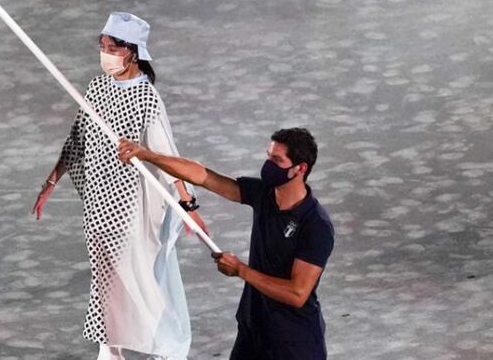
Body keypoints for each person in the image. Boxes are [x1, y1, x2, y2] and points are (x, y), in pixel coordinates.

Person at [32, 12, 207, 360]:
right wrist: (51, 181)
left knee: (133, 280)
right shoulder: (96, 87)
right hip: (96, 205)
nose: (105, 52)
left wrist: (187, 205)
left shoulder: (146, 97)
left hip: (127, 208)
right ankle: (110, 349)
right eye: (102, 46)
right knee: (105, 279)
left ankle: (144, 348)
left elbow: (166, 154)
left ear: (132, 51)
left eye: (112, 47)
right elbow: (77, 140)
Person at [117, 128, 335, 360]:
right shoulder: (264, 194)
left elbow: (297, 293)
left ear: (300, 169)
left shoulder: (316, 225)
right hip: (253, 330)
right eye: (268, 156)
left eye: (276, 160)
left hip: (293, 343)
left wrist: (241, 270)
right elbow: (204, 177)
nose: (267, 165)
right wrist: (148, 155)